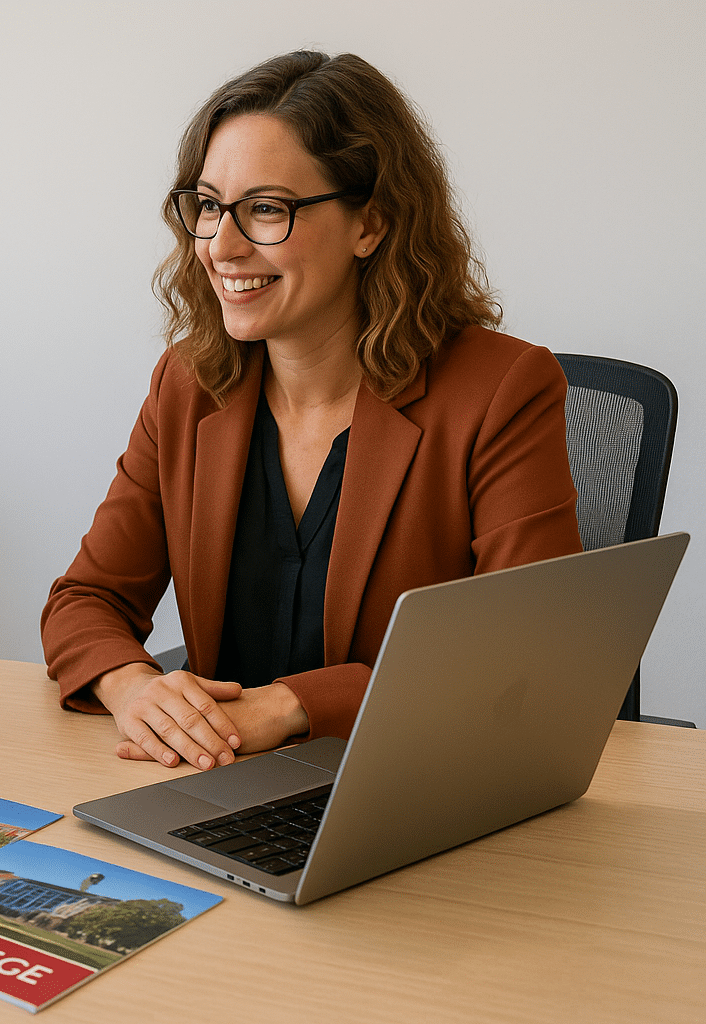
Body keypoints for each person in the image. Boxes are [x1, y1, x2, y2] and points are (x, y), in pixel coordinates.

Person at [40, 51, 581, 773]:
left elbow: (528, 655)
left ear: (371, 224)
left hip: (416, 782)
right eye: (208, 206)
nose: (222, 247)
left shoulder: (501, 389)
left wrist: (293, 705)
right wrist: (134, 686)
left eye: (266, 209)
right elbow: (85, 600)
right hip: (218, 787)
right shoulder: (188, 384)